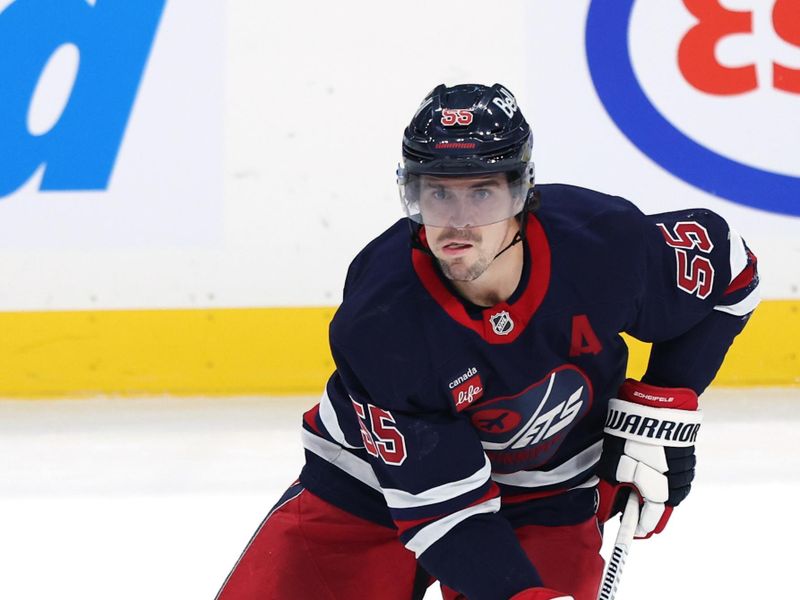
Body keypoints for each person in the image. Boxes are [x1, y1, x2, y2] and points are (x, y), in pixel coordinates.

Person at [216, 83, 760, 600]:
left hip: (547, 493)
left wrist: (666, 399)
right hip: (368, 493)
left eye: (481, 192)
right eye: (437, 193)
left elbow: (731, 269)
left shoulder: (604, 246)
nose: (457, 221)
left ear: (521, 191)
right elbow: (444, 515)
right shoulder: (383, 318)